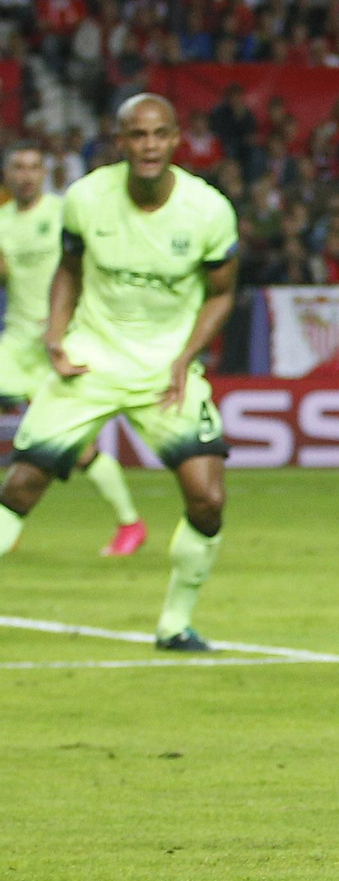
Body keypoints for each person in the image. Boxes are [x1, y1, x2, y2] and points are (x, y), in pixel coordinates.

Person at [0, 96, 237, 650]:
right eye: (137, 135)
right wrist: (56, 335)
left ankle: (175, 624)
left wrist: (185, 356)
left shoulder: (208, 210)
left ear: (175, 139)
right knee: (20, 487)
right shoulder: (86, 199)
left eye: (159, 134)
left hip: (165, 372)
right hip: (93, 361)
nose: (148, 145)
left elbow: (222, 293)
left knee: (207, 499)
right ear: (120, 141)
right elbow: (69, 269)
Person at [0, 141, 146, 555]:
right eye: (18, 167)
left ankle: (130, 524)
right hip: (16, 343)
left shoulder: (63, 213)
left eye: (33, 166)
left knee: (78, 449)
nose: (26, 174)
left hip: (62, 342)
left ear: (44, 173)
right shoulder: (2, 221)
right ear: (7, 175)